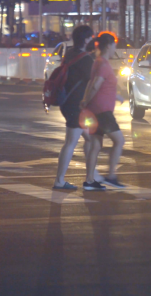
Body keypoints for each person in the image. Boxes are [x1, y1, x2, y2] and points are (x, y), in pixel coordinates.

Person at [80, 33, 126, 190]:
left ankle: (90, 181)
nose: (115, 48)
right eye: (114, 45)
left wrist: (116, 95)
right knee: (119, 140)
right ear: (108, 46)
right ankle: (111, 176)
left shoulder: (98, 62)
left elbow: (99, 85)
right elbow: (95, 85)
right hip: (102, 112)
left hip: (95, 109)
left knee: (96, 145)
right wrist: (85, 101)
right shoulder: (104, 65)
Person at [53, 25, 95, 190]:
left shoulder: (70, 53)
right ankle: (59, 180)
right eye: (91, 37)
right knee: (70, 142)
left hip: (69, 103)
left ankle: (92, 176)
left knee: (91, 138)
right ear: (86, 39)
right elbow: (94, 81)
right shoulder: (85, 59)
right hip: (76, 106)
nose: (93, 40)